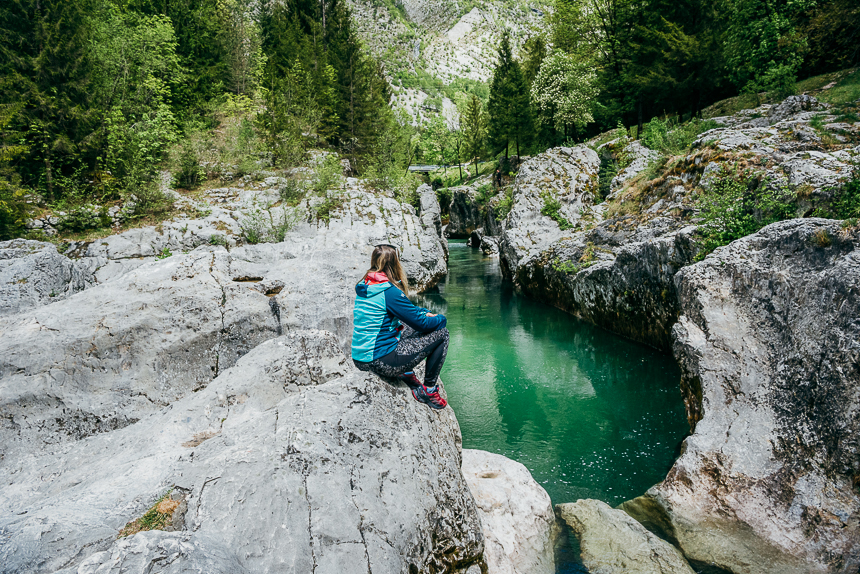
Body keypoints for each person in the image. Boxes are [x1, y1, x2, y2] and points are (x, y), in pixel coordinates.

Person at [351, 244, 449, 409]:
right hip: (379, 361)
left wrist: (424, 312)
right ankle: (429, 390)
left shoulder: (366, 285)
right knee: (442, 334)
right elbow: (421, 324)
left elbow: (408, 312)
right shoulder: (389, 292)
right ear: (395, 263)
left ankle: (406, 371)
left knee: (402, 323)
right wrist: (440, 318)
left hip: (360, 358)